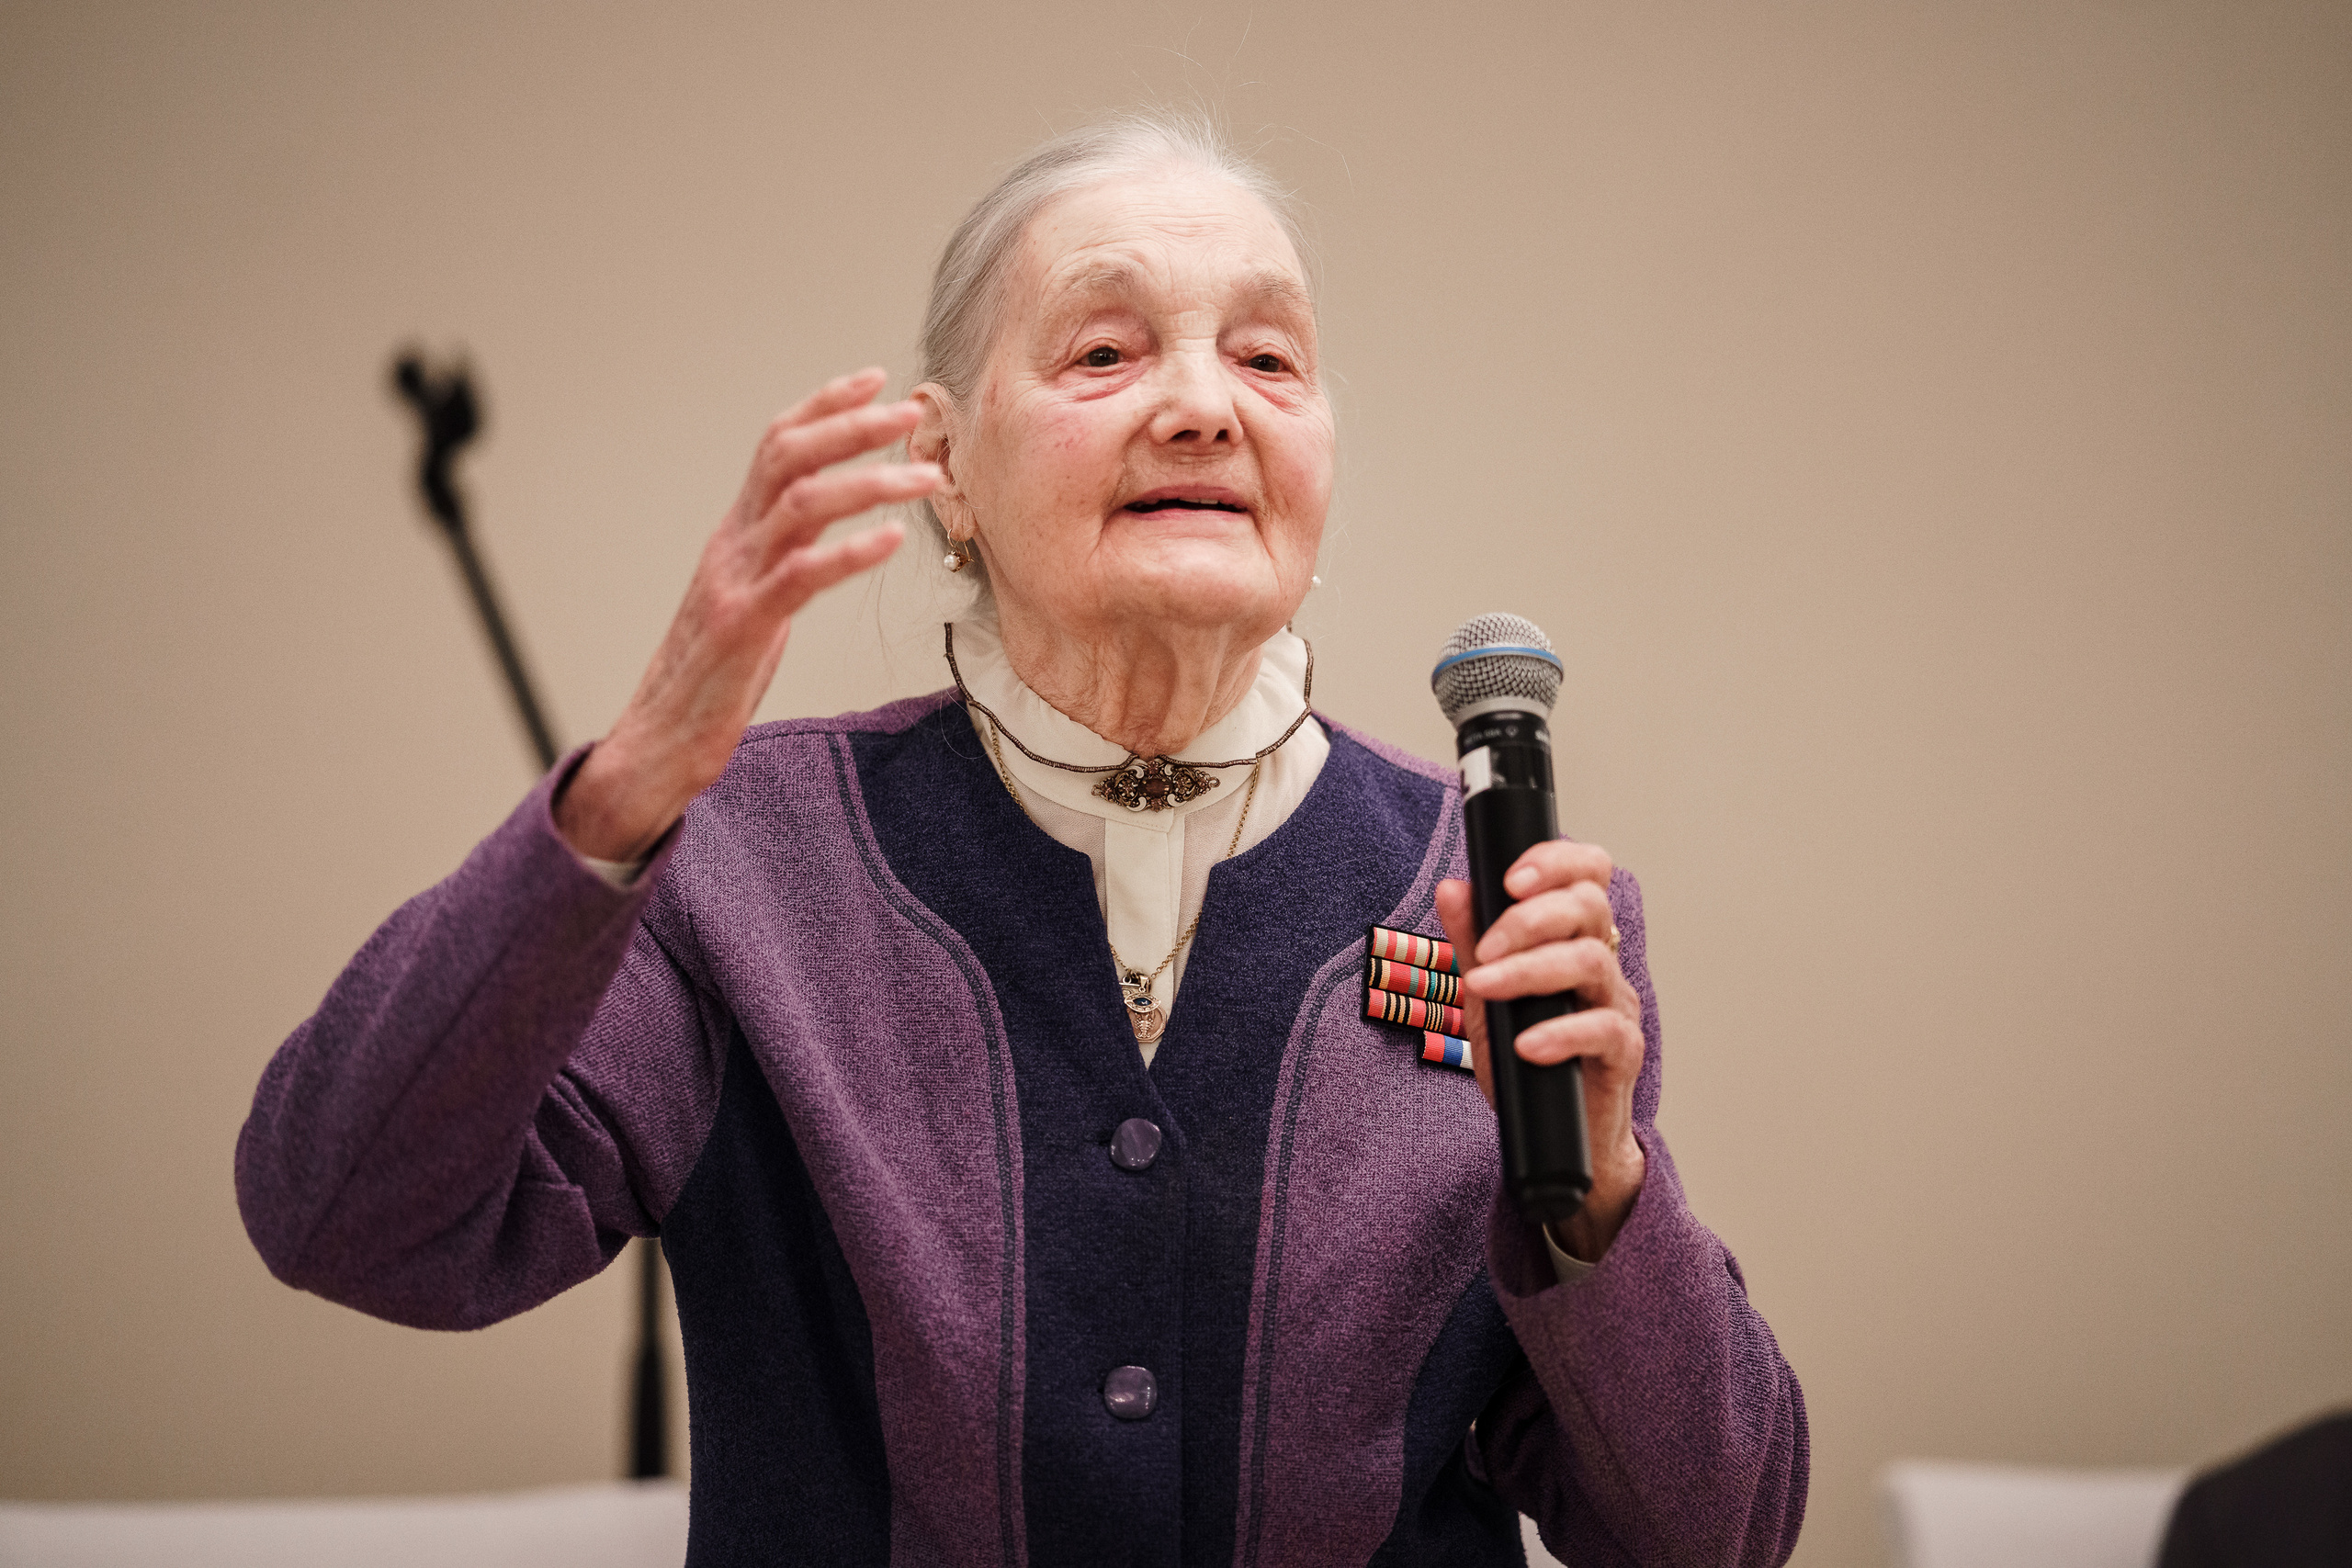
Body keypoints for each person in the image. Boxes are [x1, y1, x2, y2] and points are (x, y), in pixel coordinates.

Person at [236, 112, 1807, 1567]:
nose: (1203, 407)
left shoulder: (1507, 910)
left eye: (1269, 359)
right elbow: (347, 1217)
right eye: (1105, 352)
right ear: (948, 468)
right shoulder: (739, 863)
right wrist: (627, 787)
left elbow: (1714, 1538)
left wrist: (1603, 1196)